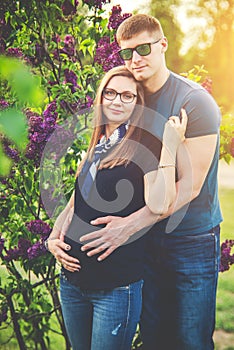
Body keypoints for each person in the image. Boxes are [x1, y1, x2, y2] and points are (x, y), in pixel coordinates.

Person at [73, 14, 222, 350]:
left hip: (191, 238)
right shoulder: (127, 96)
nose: (135, 59)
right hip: (147, 240)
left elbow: (191, 185)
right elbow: (96, 159)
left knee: (190, 339)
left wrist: (128, 225)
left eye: (143, 48)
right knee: (153, 337)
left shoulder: (194, 102)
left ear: (162, 45)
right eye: (126, 53)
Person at [45, 65, 187, 350]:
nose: (117, 100)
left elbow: (159, 204)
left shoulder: (143, 144)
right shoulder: (98, 142)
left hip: (115, 287)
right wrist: (53, 237)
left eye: (127, 95)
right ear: (101, 98)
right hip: (72, 283)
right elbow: (76, 201)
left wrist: (170, 145)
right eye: (110, 93)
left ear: (137, 104)